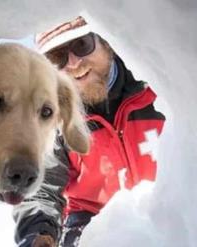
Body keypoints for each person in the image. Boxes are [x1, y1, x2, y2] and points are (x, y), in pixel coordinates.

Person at [13, 16, 165, 247]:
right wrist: (38, 231)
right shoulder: (54, 120)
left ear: (106, 40)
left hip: (171, 198)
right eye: (58, 58)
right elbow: (41, 188)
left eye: (82, 45)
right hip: (90, 219)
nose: (74, 64)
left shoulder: (159, 84)